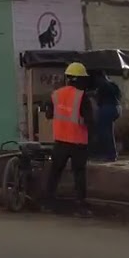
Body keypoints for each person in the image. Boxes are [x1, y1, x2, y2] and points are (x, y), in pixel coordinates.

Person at [43, 62, 95, 215]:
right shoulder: (82, 97)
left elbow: (48, 114)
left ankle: (48, 203)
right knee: (78, 174)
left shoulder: (56, 94)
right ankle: (80, 206)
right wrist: (93, 138)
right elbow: (89, 120)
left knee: (55, 172)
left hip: (60, 142)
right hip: (78, 142)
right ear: (80, 79)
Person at [89, 71, 122, 162]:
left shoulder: (102, 84)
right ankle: (112, 154)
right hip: (117, 108)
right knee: (109, 131)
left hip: (107, 108)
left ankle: (109, 154)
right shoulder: (112, 84)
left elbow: (97, 96)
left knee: (104, 132)